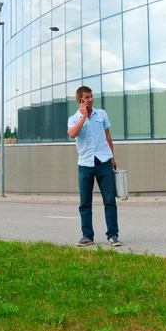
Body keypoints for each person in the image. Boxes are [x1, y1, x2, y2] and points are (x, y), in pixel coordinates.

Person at [68, 86, 122, 247]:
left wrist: (112, 157)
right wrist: (83, 116)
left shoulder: (102, 114)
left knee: (110, 201)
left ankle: (113, 235)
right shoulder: (73, 118)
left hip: (104, 161)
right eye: (87, 97)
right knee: (85, 203)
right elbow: (72, 134)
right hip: (85, 164)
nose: (91, 99)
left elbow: (107, 135)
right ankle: (87, 236)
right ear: (80, 100)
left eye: (91, 96)